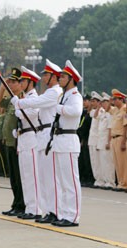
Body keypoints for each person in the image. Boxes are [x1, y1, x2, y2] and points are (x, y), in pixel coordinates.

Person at [11, 59, 63, 224]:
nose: (44, 77)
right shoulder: (46, 93)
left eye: (46, 74)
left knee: (39, 177)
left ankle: (40, 210)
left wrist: (18, 104)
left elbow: (34, 109)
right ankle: (35, 208)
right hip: (34, 136)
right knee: (31, 177)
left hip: (41, 136)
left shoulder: (52, 92)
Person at [49, 60, 83, 227]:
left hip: (69, 140)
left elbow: (76, 111)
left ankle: (73, 216)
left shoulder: (75, 96)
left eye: (63, 76)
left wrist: (58, 108)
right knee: (62, 181)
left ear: (71, 79)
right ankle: (64, 213)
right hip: (60, 141)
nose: (59, 78)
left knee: (70, 181)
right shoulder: (64, 96)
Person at [13, 66, 42, 220]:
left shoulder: (34, 98)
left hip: (31, 138)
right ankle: (29, 207)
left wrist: (17, 106)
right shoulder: (25, 98)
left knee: (32, 175)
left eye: (23, 80)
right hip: (23, 137)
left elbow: (30, 114)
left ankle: (36, 208)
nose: (21, 82)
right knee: (25, 176)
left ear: (30, 82)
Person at [0, 67, 25, 217]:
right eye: (10, 82)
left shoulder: (22, 100)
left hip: (17, 143)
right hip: (9, 141)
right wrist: (2, 88)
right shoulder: (11, 100)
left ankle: (21, 204)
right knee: (13, 176)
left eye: (14, 82)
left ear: (21, 84)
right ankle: (16, 203)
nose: (11, 84)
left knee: (19, 176)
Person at [109, 89, 127, 191]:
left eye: (116, 99)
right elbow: (108, 108)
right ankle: (120, 182)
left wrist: (124, 140)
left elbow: (126, 126)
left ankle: (124, 183)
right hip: (114, 137)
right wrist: (109, 101)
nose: (114, 101)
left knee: (123, 162)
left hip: (120, 137)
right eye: (113, 99)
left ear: (121, 100)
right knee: (117, 162)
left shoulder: (125, 109)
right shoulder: (116, 110)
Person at [97, 92, 116, 189]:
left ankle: (110, 181)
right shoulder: (102, 114)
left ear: (109, 103)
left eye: (105, 102)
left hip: (106, 141)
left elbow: (110, 129)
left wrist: (109, 142)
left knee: (109, 162)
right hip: (100, 141)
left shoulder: (110, 114)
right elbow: (95, 117)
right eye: (102, 102)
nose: (103, 104)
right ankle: (105, 180)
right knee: (102, 162)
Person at [78, 94, 94, 187]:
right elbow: (80, 126)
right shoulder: (84, 113)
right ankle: (84, 177)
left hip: (89, 138)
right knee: (83, 160)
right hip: (82, 138)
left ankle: (90, 178)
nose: (84, 102)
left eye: (86, 100)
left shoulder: (92, 114)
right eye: (83, 101)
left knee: (89, 160)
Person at [88, 92, 103, 188]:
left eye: (94, 101)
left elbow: (97, 116)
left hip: (97, 140)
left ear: (99, 102)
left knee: (98, 161)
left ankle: (101, 180)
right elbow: (91, 114)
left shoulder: (101, 111)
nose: (92, 103)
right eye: (91, 101)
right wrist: (95, 107)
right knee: (93, 161)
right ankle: (97, 179)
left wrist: (99, 107)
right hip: (92, 140)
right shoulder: (93, 111)